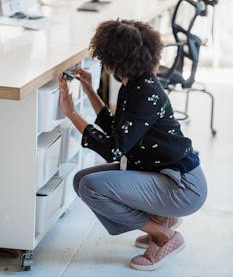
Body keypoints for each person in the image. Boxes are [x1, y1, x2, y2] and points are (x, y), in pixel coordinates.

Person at [59, 19, 207, 271]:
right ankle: (161, 218)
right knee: (81, 180)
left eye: (103, 58)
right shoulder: (135, 84)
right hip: (165, 174)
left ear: (116, 60)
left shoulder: (144, 93)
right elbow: (118, 129)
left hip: (183, 188)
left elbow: (114, 149)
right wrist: (89, 89)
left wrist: (72, 113)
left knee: (90, 186)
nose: (102, 63)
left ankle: (163, 235)